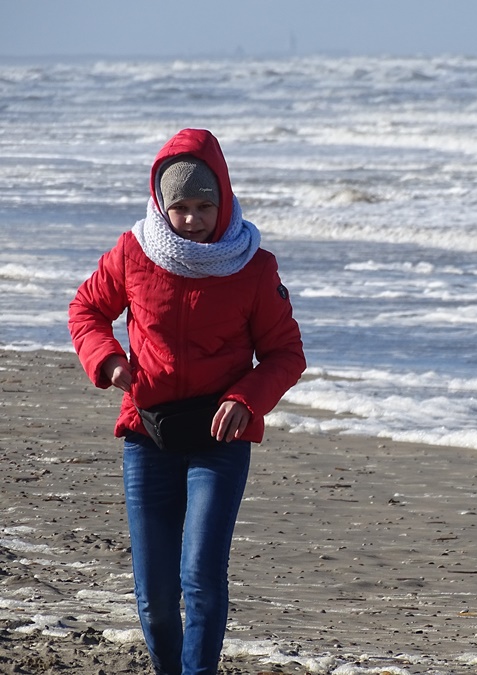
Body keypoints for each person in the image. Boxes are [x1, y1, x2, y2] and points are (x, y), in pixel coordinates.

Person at [69, 128, 307, 675]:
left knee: (200, 577)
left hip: (219, 439)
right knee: (154, 595)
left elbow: (285, 354)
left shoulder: (253, 265)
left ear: (223, 200)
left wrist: (247, 398)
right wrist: (109, 361)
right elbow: (86, 310)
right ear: (161, 203)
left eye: (205, 206)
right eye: (180, 208)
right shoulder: (133, 252)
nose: (193, 219)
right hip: (146, 434)